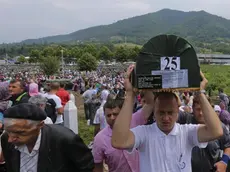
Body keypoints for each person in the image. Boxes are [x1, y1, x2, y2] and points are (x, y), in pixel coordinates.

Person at [111, 65, 223, 172]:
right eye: (161, 113)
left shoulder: (187, 132)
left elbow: (216, 131)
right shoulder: (144, 133)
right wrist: (130, 94)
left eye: (170, 113)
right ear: (154, 112)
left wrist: (200, 93)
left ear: (177, 112)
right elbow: (118, 141)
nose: (166, 118)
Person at [0, 103, 94, 172]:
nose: (10, 139)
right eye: (8, 131)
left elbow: (87, 167)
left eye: (20, 133)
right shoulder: (5, 138)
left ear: (40, 125)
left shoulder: (64, 139)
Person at [178, 95, 230, 172]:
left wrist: (224, 162)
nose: (201, 113)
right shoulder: (185, 120)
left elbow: (228, 146)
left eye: (203, 109)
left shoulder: (218, 127)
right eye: (198, 109)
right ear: (193, 108)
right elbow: (171, 109)